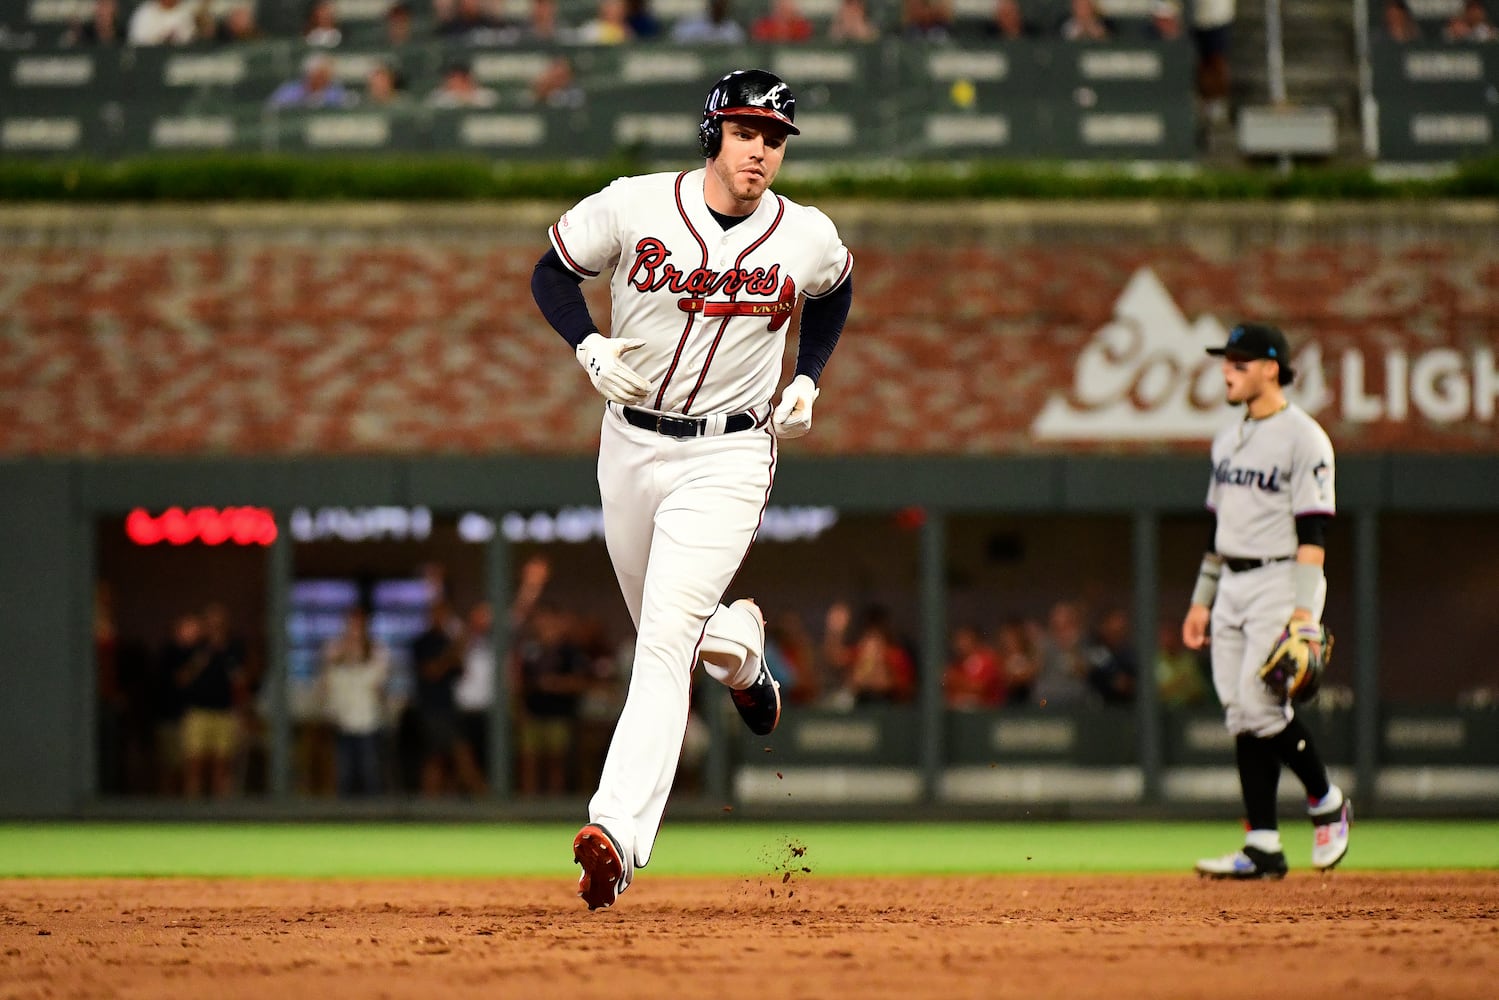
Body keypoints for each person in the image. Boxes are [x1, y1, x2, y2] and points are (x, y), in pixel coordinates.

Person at [530, 68, 853, 910]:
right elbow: (550, 272)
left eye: (774, 138)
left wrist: (809, 377)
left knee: (663, 642)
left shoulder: (804, 234)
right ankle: (744, 652)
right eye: (746, 132)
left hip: (730, 455)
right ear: (712, 133)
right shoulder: (634, 204)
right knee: (673, 631)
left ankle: (615, 834)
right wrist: (585, 345)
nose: (761, 151)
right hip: (630, 446)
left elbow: (835, 287)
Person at [1183, 322, 1351, 879]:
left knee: (1260, 707)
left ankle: (1326, 800)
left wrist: (1304, 611)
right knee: (1240, 714)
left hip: (1281, 580)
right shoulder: (1227, 439)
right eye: (1226, 361)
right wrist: (1201, 600)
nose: (1227, 371)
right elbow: (1216, 531)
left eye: (1239, 362)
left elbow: (1314, 534)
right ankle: (1262, 846)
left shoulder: (1304, 437)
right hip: (1230, 581)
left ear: (1270, 368)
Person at [317, 607, 390, 797]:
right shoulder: (333, 650)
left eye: (358, 625)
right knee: (343, 774)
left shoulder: (377, 651)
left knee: (370, 773)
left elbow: (378, 683)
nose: (354, 630)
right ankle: (342, 819)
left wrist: (360, 655)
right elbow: (326, 683)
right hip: (341, 722)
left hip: (368, 722)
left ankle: (374, 818)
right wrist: (344, 655)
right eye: (351, 624)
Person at [266, 53, 353, 110]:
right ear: (309, 74)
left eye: (328, 74)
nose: (324, 78)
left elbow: (347, 105)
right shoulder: (289, 90)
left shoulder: (335, 91)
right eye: (320, 74)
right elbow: (272, 109)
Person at [127, 0, 196, 45]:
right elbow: (137, 43)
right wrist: (162, 39)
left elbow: (190, 40)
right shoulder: (145, 13)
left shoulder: (187, 11)